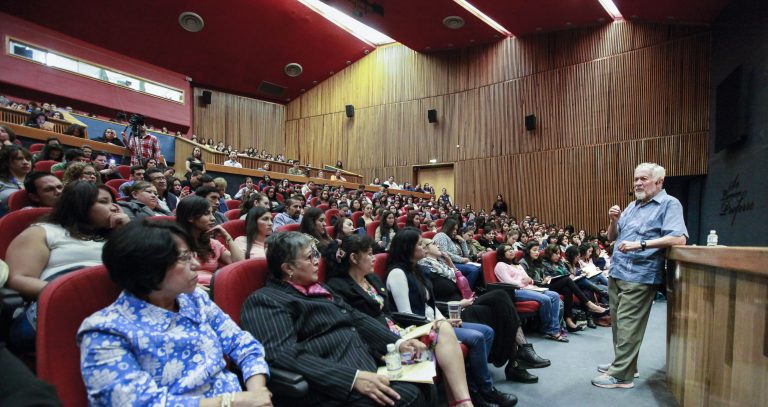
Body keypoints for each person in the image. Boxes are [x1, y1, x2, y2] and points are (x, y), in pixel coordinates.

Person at [77, 219, 271, 406]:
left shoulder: (193, 298)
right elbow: (139, 403)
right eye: (184, 257)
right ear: (147, 268)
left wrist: (257, 392)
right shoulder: (105, 331)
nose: (196, 264)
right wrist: (234, 402)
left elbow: (242, 343)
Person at [240, 232, 428, 407]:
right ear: (288, 268)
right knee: (409, 395)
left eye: (315, 254)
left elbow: (355, 317)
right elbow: (284, 356)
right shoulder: (266, 300)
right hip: (329, 386)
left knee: (425, 379)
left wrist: (398, 343)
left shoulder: (319, 289)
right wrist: (352, 378)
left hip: (365, 363)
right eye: (309, 257)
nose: (317, 261)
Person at [325, 235, 474, 407]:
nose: (375, 258)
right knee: (435, 347)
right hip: (382, 344)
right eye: (370, 254)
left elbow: (389, 314)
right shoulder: (338, 286)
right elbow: (357, 326)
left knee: (443, 327)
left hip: (398, 330)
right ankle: (461, 402)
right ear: (353, 258)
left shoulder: (371, 278)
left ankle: (462, 401)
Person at [385, 228, 518, 407]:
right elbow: (407, 315)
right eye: (419, 244)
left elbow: (429, 305)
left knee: (487, 331)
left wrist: (445, 319)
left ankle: (473, 384)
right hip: (421, 329)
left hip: (437, 322)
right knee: (477, 337)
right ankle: (485, 390)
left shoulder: (417, 270)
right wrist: (440, 323)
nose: (423, 247)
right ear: (408, 248)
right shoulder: (397, 274)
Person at [592, 163, 688, 389]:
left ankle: (622, 377)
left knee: (628, 326)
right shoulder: (632, 206)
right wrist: (614, 221)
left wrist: (641, 245)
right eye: (636, 179)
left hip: (641, 275)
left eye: (643, 179)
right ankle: (625, 365)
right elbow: (610, 237)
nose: (637, 183)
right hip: (617, 272)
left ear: (659, 181)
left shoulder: (669, 204)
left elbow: (679, 238)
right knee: (618, 324)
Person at [5, 182, 129, 350]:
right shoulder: (43, 231)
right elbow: (20, 278)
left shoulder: (117, 235)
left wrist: (127, 232)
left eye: (114, 202)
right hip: (60, 304)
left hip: (116, 303)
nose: (114, 208)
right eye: (104, 201)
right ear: (79, 205)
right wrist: (72, 295)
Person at [417, 238, 549, 383]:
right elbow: (430, 304)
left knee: (502, 301)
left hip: (467, 301)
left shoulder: (442, 266)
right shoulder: (424, 270)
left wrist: (450, 264)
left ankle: (519, 358)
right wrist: (459, 304)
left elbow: (462, 283)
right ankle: (518, 359)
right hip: (453, 311)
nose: (437, 244)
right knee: (500, 299)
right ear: (425, 249)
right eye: (433, 243)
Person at [494, 245, 567, 342]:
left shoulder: (517, 265)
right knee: (545, 299)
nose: (511, 251)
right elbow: (508, 282)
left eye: (512, 249)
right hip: (516, 291)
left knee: (555, 295)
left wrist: (530, 281)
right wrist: (524, 282)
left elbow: (530, 279)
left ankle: (551, 328)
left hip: (529, 288)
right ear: (502, 254)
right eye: (507, 250)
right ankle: (549, 329)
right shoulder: (500, 265)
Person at [175, 196, 243, 287]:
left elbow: (240, 264)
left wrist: (228, 237)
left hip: (213, 289)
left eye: (212, 213)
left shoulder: (212, 244)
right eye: (207, 213)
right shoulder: (173, 244)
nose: (213, 218)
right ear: (190, 217)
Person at [432, 218, 482, 289]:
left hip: (456, 262)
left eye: (456, 229)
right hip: (446, 263)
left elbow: (466, 255)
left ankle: (476, 289)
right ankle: (464, 292)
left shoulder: (452, 239)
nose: (455, 231)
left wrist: (463, 241)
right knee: (473, 270)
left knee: (480, 267)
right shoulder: (441, 235)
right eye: (453, 229)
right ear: (448, 228)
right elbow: (444, 252)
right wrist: (461, 259)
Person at [0, 146, 32, 216]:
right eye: (19, 159)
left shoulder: (36, 182)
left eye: (28, 159)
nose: (26, 162)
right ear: (7, 162)